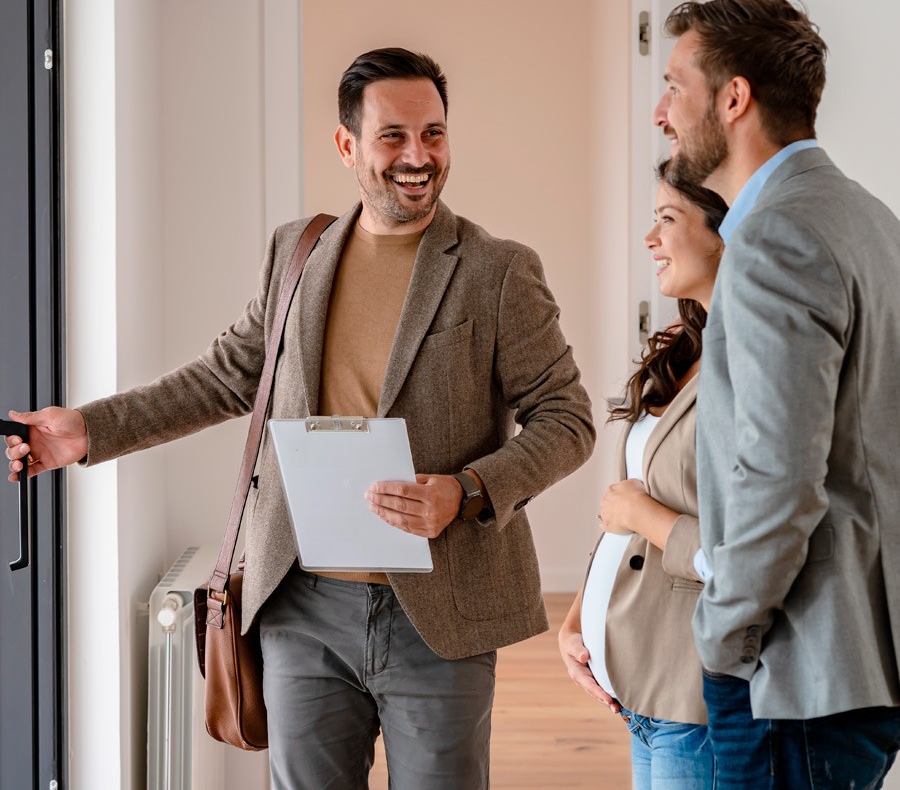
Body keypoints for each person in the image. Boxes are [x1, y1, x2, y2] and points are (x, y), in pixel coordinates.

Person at [5, 48, 595, 790]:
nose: (418, 156)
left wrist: (468, 489)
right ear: (347, 145)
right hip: (302, 604)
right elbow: (227, 376)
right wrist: (90, 430)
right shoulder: (299, 252)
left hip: (442, 609)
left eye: (434, 134)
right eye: (394, 136)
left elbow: (567, 417)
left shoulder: (497, 269)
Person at [655, 0, 900, 787]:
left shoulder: (775, 234)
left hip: (794, 672)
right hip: (861, 658)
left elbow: (778, 479)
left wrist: (723, 637)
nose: (663, 112)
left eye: (674, 86)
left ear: (733, 99)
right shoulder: (870, 218)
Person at [559, 160, 727, 789]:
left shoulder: (753, 364)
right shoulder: (686, 350)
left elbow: (743, 546)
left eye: (667, 220)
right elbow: (627, 503)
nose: (650, 239)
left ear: (723, 231)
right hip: (640, 692)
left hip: (693, 695)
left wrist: (637, 516)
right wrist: (578, 618)